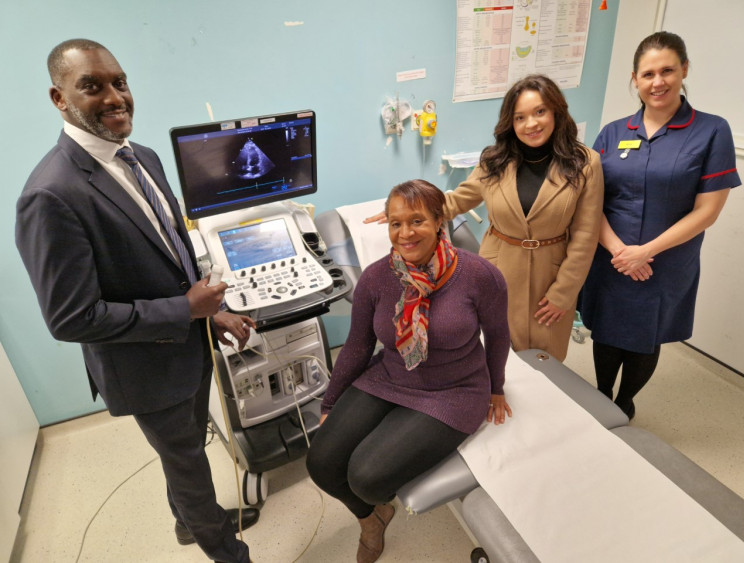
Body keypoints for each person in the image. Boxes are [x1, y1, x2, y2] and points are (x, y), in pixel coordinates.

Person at [16, 39, 258, 563]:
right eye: (92, 86)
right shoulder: (51, 195)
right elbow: (71, 317)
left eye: (119, 82)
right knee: (190, 464)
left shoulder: (142, 157)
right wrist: (186, 311)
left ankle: (189, 523)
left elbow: (173, 255)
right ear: (59, 99)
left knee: (188, 447)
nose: (114, 97)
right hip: (145, 368)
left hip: (189, 348)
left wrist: (210, 313)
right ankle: (225, 548)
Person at [306, 180, 511, 562]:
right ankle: (373, 519)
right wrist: (330, 400)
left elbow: (498, 336)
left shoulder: (479, 275)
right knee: (321, 462)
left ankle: (375, 505)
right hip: (390, 375)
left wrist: (496, 387)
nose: (404, 233)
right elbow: (358, 345)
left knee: (367, 477)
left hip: (455, 390)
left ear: (439, 221)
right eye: (395, 223)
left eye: (416, 221)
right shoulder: (376, 276)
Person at [367, 74, 603, 361]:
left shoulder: (585, 163)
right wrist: (407, 212)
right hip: (497, 268)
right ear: (510, 122)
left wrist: (564, 294)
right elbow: (456, 201)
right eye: (520, 117)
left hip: (551, 271)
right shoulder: (495, 160)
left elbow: (586, 235)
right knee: (494, 350)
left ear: (556, 111)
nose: (531, 124)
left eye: (539, 112)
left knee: (546, 355)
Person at [579, 31, 741, 419]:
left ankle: (624, 403)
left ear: (684, 70)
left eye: (667, 70)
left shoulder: (712, 130)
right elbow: (590, 201)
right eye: (647, 73)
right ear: (634, 78)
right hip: (612, 257)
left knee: (644, 338)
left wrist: (645, 252)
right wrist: (620, 250)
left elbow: (708, 210)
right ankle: (602, 395)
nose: (658, 82)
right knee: (607, 330)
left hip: (664, 262)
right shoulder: (614, 133)